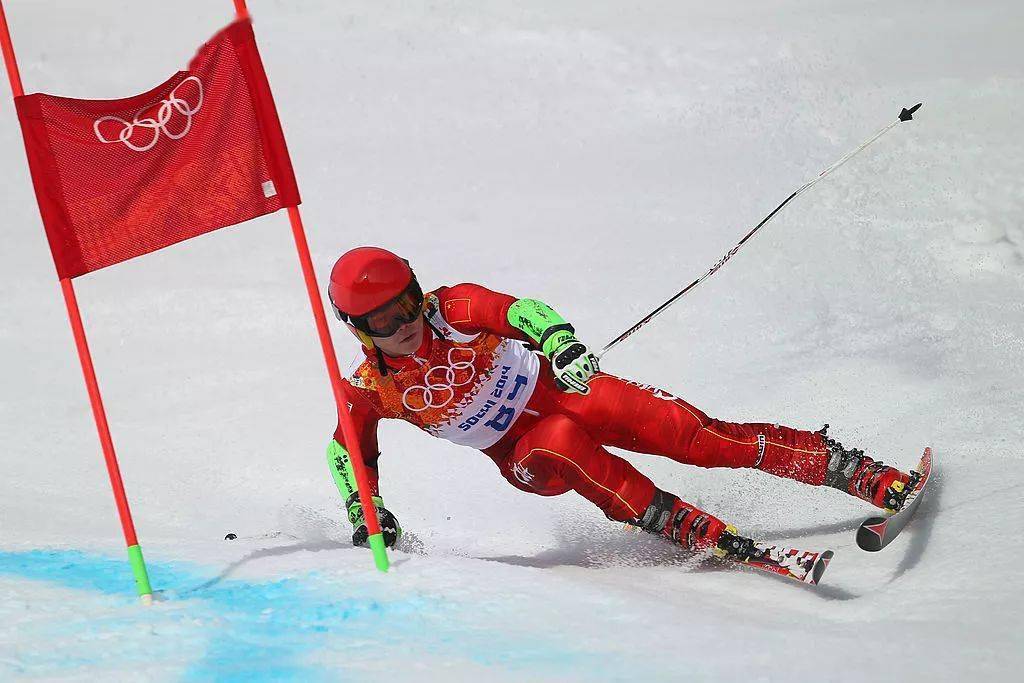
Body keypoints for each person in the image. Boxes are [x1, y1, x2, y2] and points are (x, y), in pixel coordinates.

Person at [324, 246, 913, 574]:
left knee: (696, 436)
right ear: (358, 329)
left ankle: (856, 473)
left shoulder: (449, 308)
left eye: (405, 305)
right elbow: (343, 448)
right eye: (382, 320)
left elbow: (520, 311)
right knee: (556, 437)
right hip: (525, 457)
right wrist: (365, 507)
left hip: (557, 386)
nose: (403, 325)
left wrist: (561, 343)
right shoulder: (373, 386)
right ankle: (686, 525)